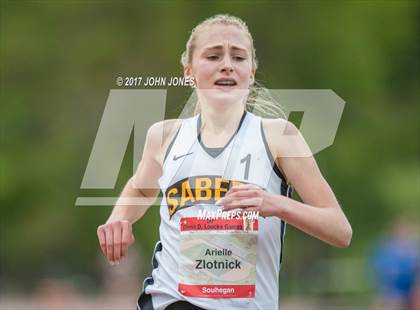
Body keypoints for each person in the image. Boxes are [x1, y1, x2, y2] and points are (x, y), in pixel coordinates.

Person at [96, 14, 352, 310]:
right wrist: (119, 218)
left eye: (239, 57)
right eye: (213, 55)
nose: (227, 64)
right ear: (188, 72)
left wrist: (276, 204)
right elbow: (140, 190)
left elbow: (340, 230)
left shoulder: (279, 136)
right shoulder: (164, 136)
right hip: (171, 301)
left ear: (251, 72)